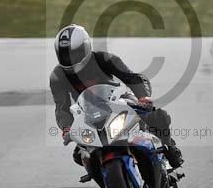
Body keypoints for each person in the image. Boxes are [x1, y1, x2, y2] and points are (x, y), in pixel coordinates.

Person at [49, 24, 184, 170]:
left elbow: (133, 78)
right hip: (87, 113)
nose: (70, 59)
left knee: (158, 116)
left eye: (74, 53)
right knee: (79, 155)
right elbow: (61, 107)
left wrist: (142, 97)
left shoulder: (104, 59)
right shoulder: (58, 76)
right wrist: (67, 127)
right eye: (64, 55)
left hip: (119, 100)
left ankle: (170, 148)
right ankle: (103, 175)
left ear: (85, 47)